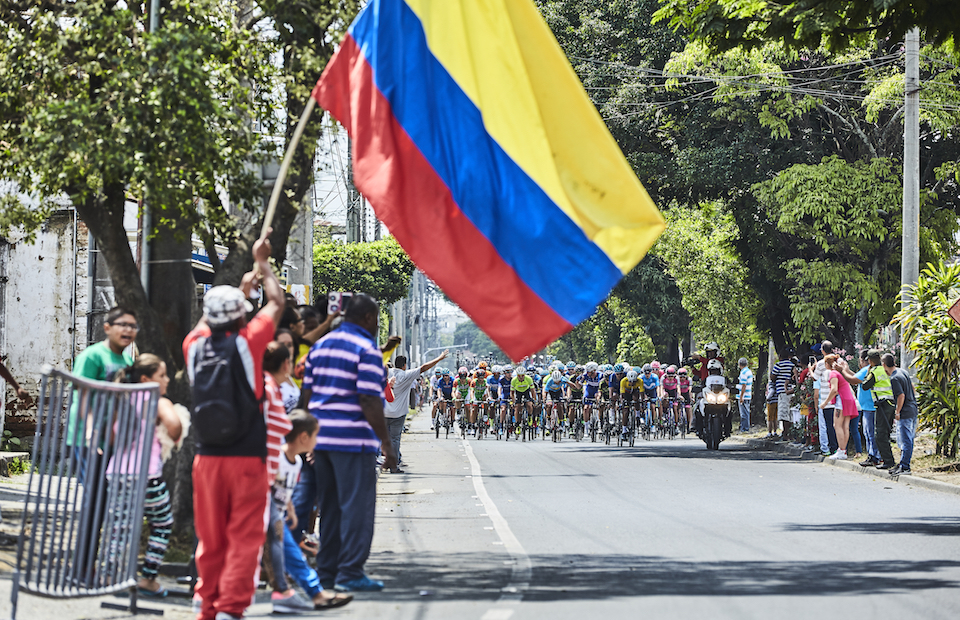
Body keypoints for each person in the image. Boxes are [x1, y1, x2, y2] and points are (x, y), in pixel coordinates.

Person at [183, 231, 285, 620]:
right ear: (241, 315)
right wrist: (263, 262)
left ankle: (205, 603)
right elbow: (275, 302)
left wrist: (242, 289)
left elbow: (211, 321)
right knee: (245, 535)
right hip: (247, 457)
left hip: (205, 457)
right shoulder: (249, 341)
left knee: (210, 537)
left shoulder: (193, 344)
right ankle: (231, 607)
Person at [300, 293, 397, 592]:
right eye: (376, 320)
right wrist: (386, 443)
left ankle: (327, 573)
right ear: (368, 318)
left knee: (330, 508)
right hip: (352, 441)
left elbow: (306, 396)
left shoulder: (320, 346)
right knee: (357, 507)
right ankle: (351, 572)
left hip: (321, 441)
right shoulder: (366, 349)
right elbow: (369, 399)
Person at [111, 354, 187, 597]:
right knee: (162, 523)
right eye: (162, 375)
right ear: (146, 379)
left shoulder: (121, 399)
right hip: (147, 475)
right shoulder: (157, 399)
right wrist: (172, 435)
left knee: (120, 527)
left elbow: (111, 437)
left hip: (117, 474)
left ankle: (114, 577)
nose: (166, 380)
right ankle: (149, 579)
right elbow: (175, 425)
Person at [385, 350, 447, 472]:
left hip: (384, 412)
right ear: (404, 365)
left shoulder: (387, 373)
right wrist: (439, 358)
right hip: (398, 414)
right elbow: (424, 368)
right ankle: (393, 465)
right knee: (395, 438)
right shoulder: (407, 374)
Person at [820, 354, 857, 460]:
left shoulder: (833, 373)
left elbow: (834, 389)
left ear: (828, 364)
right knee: (845, 426)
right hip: (849, 400)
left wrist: (825, 402)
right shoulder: (841, 373)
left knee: (837, 425)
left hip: (841, 401)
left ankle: (841, 450)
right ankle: (843, 451)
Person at [886, 354, 918, 476]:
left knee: (906, 440)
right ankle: (903, 463)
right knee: (907, 439)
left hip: (905, 412)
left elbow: (901, 395)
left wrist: (897, 411)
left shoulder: (894, 378)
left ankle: (905, 467)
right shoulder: (902, 371)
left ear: (884, 365)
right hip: (912, 408)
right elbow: (912, 387)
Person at [770, 348, 796, 439]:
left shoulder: (779, 365)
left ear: (780, 356)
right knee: (791, 413)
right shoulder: (792, 365)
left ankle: (786, 434)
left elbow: (772, 377)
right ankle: (790, 433)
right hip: (792, 390)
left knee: (784, 414)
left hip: (783, 391)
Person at [737, 358, 753, 432]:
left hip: (744, 395)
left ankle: (744, 429)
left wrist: (741, 396)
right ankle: (744, 427)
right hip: (748, 394)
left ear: (739, 365)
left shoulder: (743, 373)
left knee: (743, 414)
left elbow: (744, 385)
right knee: (746, 412)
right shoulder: (749, 371)